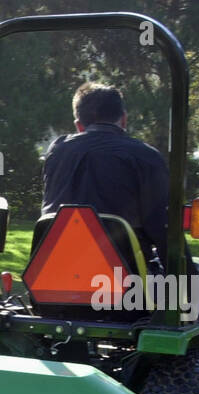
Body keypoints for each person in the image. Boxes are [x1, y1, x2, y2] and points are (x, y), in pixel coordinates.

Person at [41, 82, 170, 268]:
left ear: (79, 126)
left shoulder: (57, 152)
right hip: (123, 280)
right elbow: (161, 229)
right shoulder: (145, 156)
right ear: (124, 120)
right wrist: (188, 283)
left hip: (56, 272)